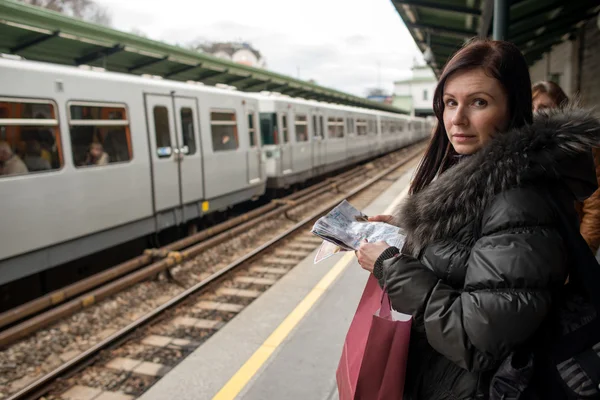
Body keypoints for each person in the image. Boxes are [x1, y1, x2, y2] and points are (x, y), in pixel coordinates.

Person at [355, 39, 600, 399]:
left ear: (512, 109)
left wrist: (391, 268)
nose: (457, 119)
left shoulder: (519, 200)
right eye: (450, 103)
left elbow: (477, 340)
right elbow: (472, 253)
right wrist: (407, 234)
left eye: (479, 103)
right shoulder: (480, 180)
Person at [533, 80, 600, 254]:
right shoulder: (523, 145)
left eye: (544, 107)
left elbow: (595, 207)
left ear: (561, 108)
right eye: (531, 107)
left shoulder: (583, 144)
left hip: (570, 247)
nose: (536, 113)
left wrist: (583, 253)